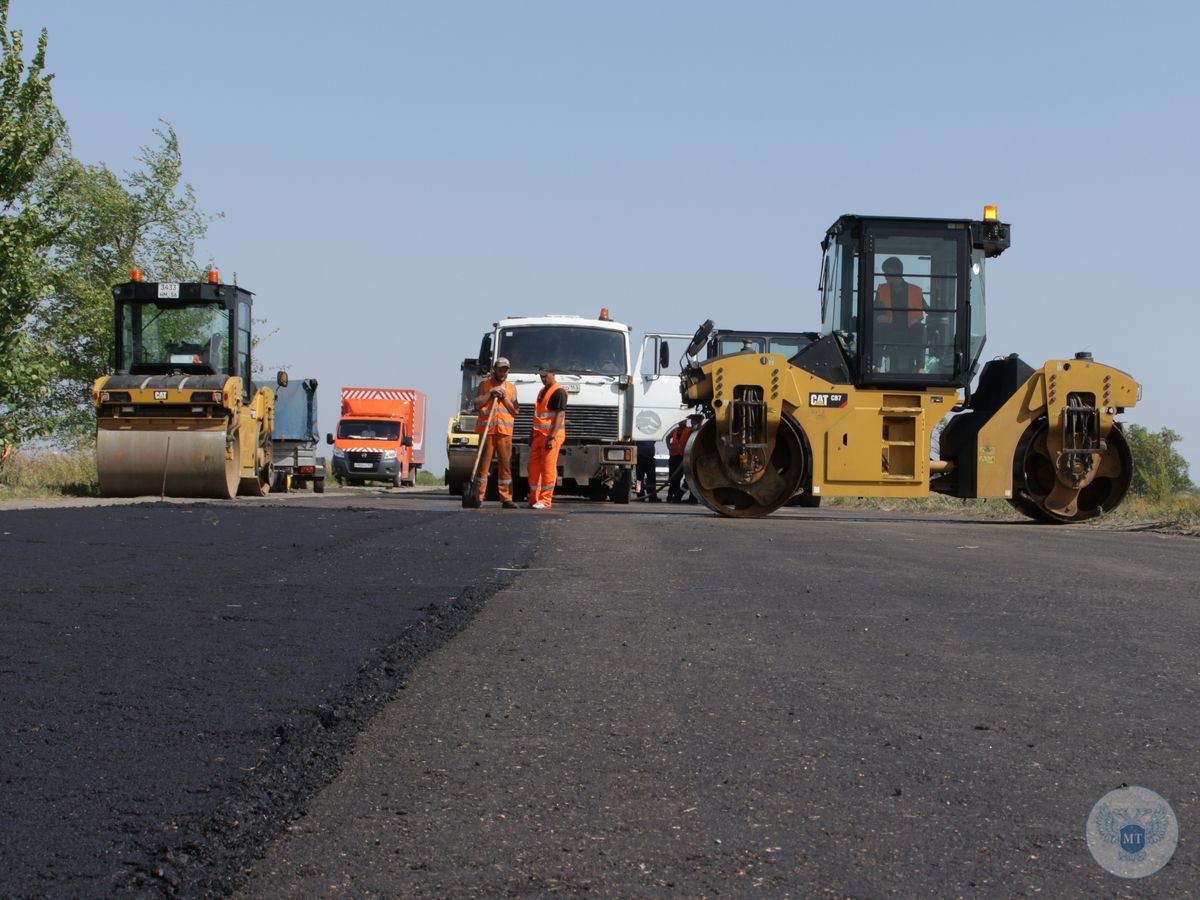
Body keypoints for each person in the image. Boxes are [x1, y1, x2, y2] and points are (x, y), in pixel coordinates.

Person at [473, 357, 520, 508]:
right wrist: (491, 393)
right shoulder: (484, 385)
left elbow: (515, 411)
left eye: (505, 370)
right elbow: (477, 404)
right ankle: (477, 496)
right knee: (483, 466)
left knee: (505, 466)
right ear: (494, 370)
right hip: (488, 432)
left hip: (504, 433)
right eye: (500, 369)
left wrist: (504, 398)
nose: (503, 373)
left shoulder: (511, 388)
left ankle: (506, 498)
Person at [874, 257, 927, 372]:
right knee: (875, 327)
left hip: (909, 329)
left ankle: (920, 367)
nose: (885, 276)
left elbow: (927, 308)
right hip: (888, 329)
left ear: (897, 272)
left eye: (888, 272)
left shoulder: (915, 291)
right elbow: (874, 311)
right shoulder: (882, 289)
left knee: (921, 329)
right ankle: (876, 366)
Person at [527, 363, 567, 509]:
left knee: (548, 467)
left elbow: (560, 415)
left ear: (553, 373)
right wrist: (532, 434)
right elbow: (538, 416)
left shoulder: (559, 392)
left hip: (551, 436)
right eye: (541, 376)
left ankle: (545, 500)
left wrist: (551, 437)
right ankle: (534, 498)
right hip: (538, 435)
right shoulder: (542, 391)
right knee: (533, 467)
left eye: (545, 376)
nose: (543, 378)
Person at [665, 414, 702, 503]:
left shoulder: (689, 430)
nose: (682, 422)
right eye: (681, 421)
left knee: (689, 478)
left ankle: (690, 498)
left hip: (684, 458)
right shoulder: (675, 430)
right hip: (674, 458)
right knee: (674, 478)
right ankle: (671, 496)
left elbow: (695, 430)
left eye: (684, 421)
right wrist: (669, 447)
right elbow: (667, 437)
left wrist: (698, 422)